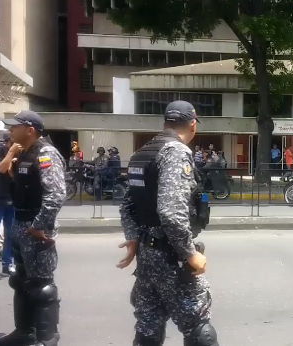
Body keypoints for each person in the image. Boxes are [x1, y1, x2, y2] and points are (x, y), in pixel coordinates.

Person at [118, 100, 216, 346]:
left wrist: (133, 239)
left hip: (147, 254)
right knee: (198, 325)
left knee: (148, 325)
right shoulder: (176, 152)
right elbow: (171, 211)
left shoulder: (143, 152)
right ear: (193, 124)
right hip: (170, 255)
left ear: (165, 122)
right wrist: (189, 253)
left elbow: (128, 205)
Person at [0, 111, 66, 346]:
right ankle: (24, 332)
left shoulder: (46, 154)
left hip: (36, 226)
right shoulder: (25, 152)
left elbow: (56, 194)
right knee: (20, 279)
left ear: (30, 129)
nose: (10, 131)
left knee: (42, 286)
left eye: (14, 127)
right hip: (20, 221)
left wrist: (40, 226)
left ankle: (46, 338)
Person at [0, 133, 15, 275]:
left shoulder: (21, 154)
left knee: (11, 233)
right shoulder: (1, 151)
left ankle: (7, 264)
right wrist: (11, 152)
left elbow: (12, 173)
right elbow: (3, 168)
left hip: (12, 197)